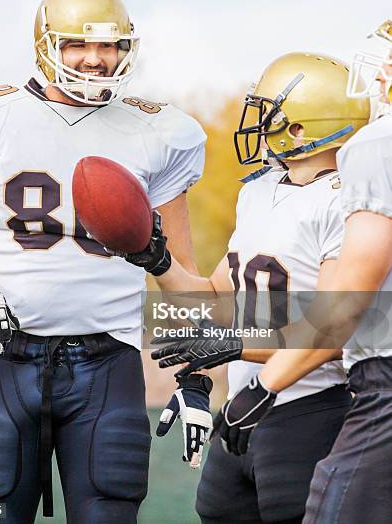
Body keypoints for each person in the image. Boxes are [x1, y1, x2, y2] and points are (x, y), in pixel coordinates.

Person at [0, 0, 208, 523]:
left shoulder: (158, 130)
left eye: (109, 46)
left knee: (109, 514)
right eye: (77, 44)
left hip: (107, 363)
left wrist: (197, 377)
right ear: (45, 45)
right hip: (6, 358)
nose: (95, 59)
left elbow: (182, 275)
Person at [123, 52, 370, 523]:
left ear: (302, 128)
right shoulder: (258, 191)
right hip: (243, 407)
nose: (258, 123)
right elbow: (214, 300)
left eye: (269, 113)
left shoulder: (346, 198)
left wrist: (235, 343)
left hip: (310, 409)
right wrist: (156, 259)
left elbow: (335, 328)